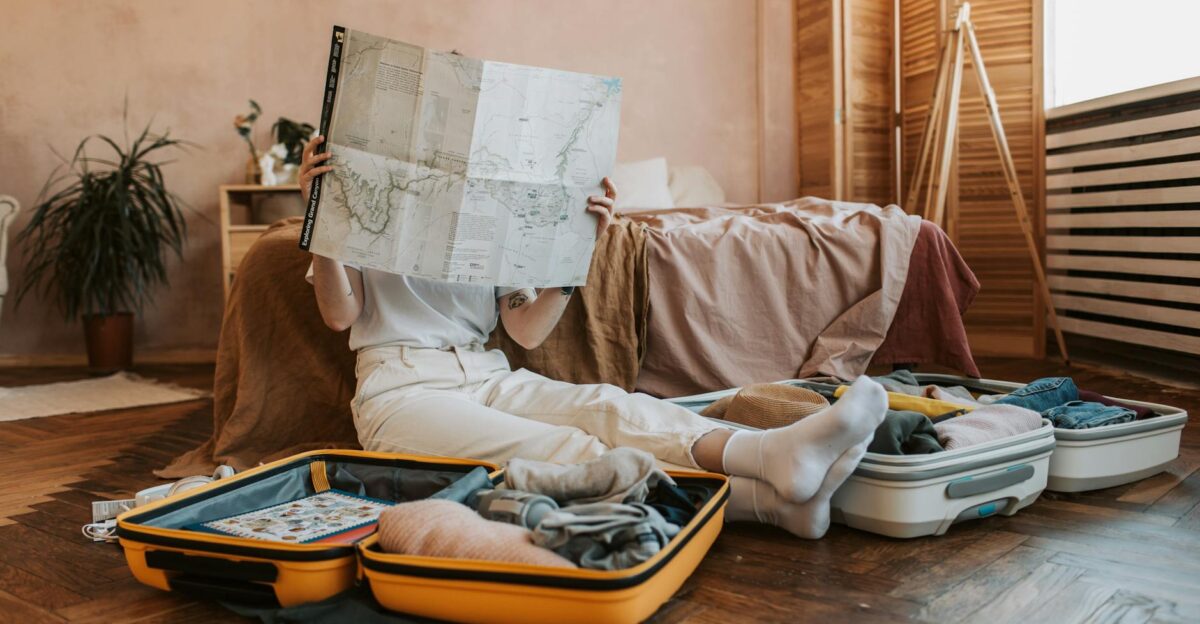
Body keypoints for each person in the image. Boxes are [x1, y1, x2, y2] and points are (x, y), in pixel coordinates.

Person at [300, 136, 887, 539]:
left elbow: (524, 328)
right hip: (402, 390)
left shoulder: (490, 214)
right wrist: (321, 222)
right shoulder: (364, 204)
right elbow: (339, 316)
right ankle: (764, 504)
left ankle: (772, 456)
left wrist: (576, 251)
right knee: (565, 449)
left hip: (486, 374)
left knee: (610, 406)